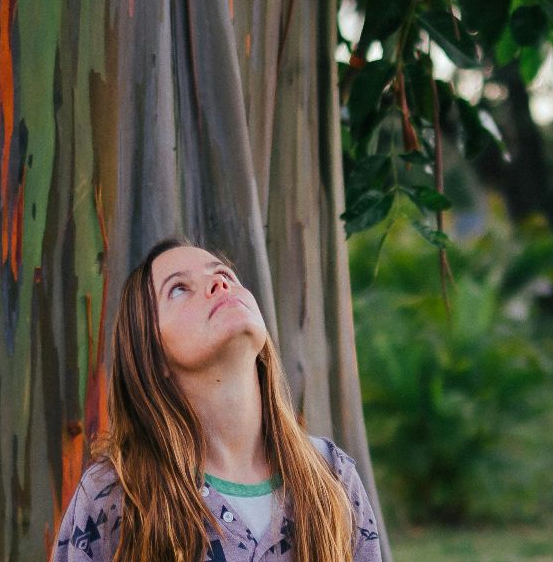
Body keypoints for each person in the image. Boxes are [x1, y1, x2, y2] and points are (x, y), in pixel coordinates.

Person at [51, 238, 382, 562]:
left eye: (223, 275)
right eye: (179, 288)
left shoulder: (333, 476)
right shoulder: (114, 497)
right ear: (151, 353)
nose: (218, 285)